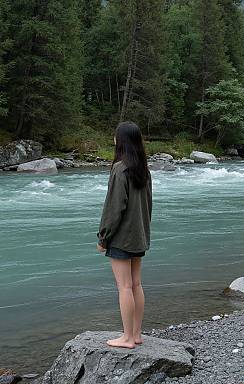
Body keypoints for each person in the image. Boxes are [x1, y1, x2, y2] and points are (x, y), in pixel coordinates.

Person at [97, 121, 152, 349]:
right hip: (139, 234)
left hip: (122, 237)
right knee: (136, 284)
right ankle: (136, 334)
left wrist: (103, 238)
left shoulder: (120, 168)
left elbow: (114, 208)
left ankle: (127, 338)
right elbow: (148, 205)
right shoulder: (143, 168)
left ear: (121, 141)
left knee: (124, 287)